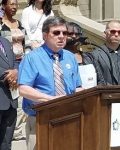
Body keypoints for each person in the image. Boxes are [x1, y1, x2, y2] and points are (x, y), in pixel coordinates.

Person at [18, 16, 82, 150]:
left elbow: (77, 87)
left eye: (65, 33)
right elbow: (23, 89)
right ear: (45, 35)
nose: (61, 36)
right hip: (40, 119)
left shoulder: (70, 57)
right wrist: (52, 100)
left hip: (69, 118)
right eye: (56, 33)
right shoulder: (32, 58)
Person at [1, 0, 30, 141]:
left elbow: (24, 45)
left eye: (16, 4)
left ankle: (17, 132)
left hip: (19, 64)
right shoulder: (1, 25)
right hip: (6, 68)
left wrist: (18, 69)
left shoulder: (19, 24)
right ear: (3, 5)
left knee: (19, 99)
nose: (14, 7)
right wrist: (9, 72)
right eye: (11, 4)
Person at [0, 36, 18, 150]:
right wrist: (8, 75)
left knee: (6, 141)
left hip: (11, 98)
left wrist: (16, 71)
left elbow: (15, 61)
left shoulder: (5, 41)